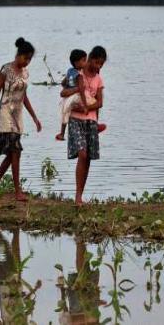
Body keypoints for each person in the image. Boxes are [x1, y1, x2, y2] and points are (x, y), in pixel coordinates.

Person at [0, 37, 42, 201]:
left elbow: (24, 96)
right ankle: (17, 191)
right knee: (15, 151)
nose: (27, 62)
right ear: (18, 55)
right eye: (26, 58)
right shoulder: (6, 69)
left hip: (18, 115)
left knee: (13, 154)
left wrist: (35, 117)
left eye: (30, 59)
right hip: (5, 113)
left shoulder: (25, 73)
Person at [67, 46, 106, 207]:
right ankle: (77, 195)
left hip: (91, 120)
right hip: (75, 119)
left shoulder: (98, 79)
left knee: (88, 157)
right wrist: (76, 108)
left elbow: (100, 102)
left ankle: (80, 196)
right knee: (82, 154)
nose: (98, 67)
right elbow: (66, 95)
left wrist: (88, 109)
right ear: (89, 59)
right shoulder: (77, 73)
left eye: (101, 65)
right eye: (96, 63)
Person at [56, 49, 107, 141]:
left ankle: (62, 133)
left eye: (101, 64)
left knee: (65, 112)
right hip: (78, 98)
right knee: (95, 101)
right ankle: (96, 124)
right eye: (84, 60)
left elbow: (63, 83)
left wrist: (69, 85)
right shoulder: (79, 75)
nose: (99, 67)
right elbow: (81, 91)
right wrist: (85, 106)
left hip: (69, 98)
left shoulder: (70, 71)